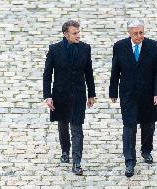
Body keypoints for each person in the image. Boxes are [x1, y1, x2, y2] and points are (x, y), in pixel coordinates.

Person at [109, 19, 157, 177]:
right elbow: (115, 70)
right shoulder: (119, 47)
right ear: (129, 33)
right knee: (129, 127)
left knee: (149, 125)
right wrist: (113, 91)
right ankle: (129, 161)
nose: (139, 36)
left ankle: (146, 150)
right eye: (135, 33)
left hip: (148, 94)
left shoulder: (154, 46)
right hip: (128, 94)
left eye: (141, 32)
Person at [43, 20, 96, 176]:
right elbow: (47, 74)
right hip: (60, 94)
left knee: (77, 128)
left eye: (79, 32)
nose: (78, 35)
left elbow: (89, 72)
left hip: (79, 94)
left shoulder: (85, 49)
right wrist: (47, 96)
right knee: (63, 124)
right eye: (74, 33)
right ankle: (65, 150)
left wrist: (91, 93)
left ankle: (77, 162)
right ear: (66, 34)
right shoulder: (54, 50)